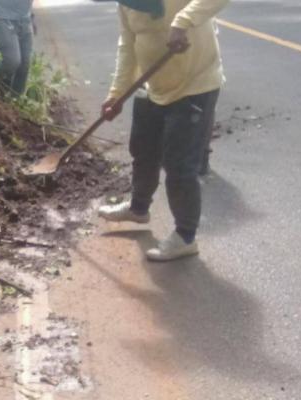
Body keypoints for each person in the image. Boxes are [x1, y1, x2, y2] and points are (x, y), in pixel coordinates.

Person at [97, 0, 228, 261]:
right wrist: (117, 94)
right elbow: (128, 47)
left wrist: (183, 20)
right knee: (143, 150)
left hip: (195, 85)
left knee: (179, 164)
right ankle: (138, 208)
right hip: (154, 86)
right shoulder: (126, 5)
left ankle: (185, 236)